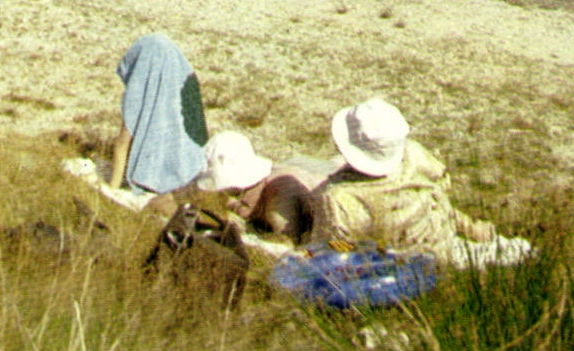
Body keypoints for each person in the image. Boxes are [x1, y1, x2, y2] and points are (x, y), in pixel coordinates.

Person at [309, 98, 533, 269]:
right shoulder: (412, 154)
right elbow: (443, 181)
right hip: (440, 246)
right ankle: (477, 232)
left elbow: (331, 250)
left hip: (390, 262)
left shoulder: (338, 199)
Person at [109, 34, 209, 197]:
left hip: (154, 183)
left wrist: (112, 189)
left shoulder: (141, 91)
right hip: (191, 174)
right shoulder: (185, 89)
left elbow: (122, 143)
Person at [204, 130, 318, 244]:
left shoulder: (279, 192)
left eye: (237, 194)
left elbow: (288, 249)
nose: (235, 203)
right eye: (226, 194)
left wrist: (245, 236)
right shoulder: (253, 197)